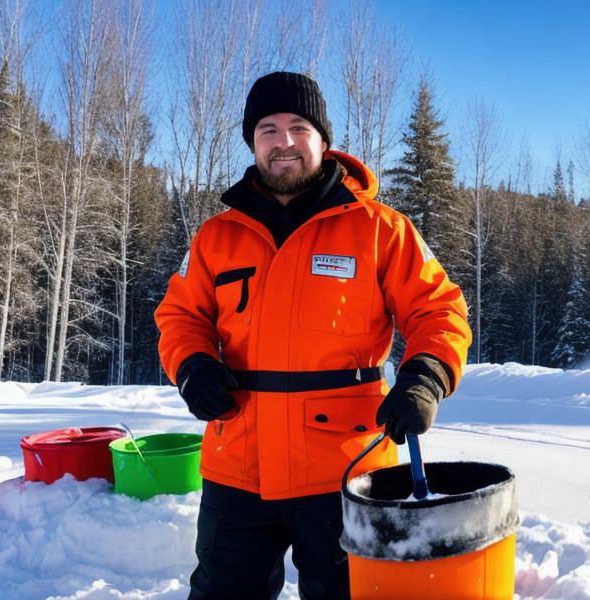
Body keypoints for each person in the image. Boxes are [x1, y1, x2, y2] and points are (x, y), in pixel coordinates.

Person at [155, 71, 472, 599]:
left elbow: (438, 309)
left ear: (324, 140)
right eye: (268, 130)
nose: (283, 143)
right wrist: (192, 368)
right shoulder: (217, 237)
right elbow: (179, 317)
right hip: (238, 463)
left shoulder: (380, 229)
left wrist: (425, 378)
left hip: (345, 468)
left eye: (298, 127)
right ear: (252, 144)